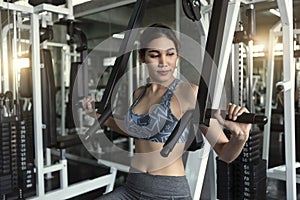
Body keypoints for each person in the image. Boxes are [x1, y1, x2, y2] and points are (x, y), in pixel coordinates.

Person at [83, 23, 251, 200]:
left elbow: (225, 153)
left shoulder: (188, 93)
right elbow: (135, 130)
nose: (163, 62)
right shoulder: (139, 93)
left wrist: (240, 137)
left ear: (177, 57)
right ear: (143, 57)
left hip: (168, 192)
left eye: (170, 54)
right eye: (154, 55)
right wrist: (98, 117)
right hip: (132, 188)